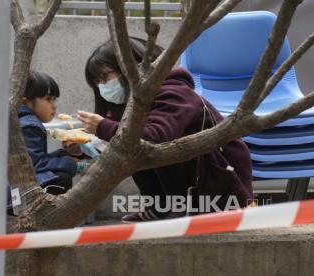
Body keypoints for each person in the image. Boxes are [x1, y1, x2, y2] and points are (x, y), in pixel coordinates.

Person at [79, 37, 254, 223]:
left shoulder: (174, 91)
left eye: (105, 77)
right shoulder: (130, 103)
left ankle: (178, 207)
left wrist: (102, 127)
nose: (102, 86)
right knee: (130, 145)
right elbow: (119, 141)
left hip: (219, 179)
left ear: (130, 68)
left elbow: (154, 137)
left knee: (150, 143)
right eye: (97, 81)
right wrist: (82, 149)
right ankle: (160, 206)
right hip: (195, 178)